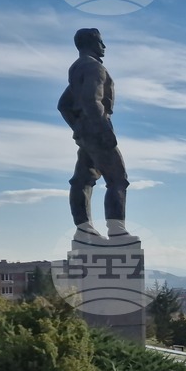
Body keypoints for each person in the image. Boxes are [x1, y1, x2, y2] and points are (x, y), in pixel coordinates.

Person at [58, 28, 130, 242]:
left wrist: (77, 128)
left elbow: (63, 105)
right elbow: (92, 100)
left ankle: (83, 228)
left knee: (83, 178)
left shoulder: (78, 68)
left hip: (85, 131)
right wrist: (103, 129)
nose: (104, 46)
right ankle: (117, 231)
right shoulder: (94, 68)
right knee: (118, 179)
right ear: (91, 43)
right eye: (101, 42)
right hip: (97, 129)